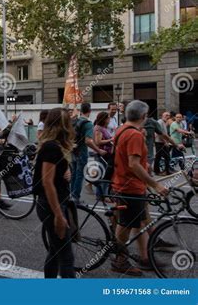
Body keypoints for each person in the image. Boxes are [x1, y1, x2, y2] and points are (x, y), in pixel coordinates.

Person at [111, 100, 168, 276]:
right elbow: (133, 164)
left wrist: (145, 165)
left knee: (140, 223)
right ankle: (120, 260)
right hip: (130, 187)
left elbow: (130, 159)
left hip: (125, 183)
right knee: (125, 225)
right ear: (143, 116)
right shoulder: (134, 135)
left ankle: (144, 257)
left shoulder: (121, 129)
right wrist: (155, 184)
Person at [34, 108, 75, 278]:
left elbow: (55, 174)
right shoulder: (51, 147)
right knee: (66, 257)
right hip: (52, 205)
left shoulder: (55, 146)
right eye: (69, 122)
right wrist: (59, 215)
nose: (72, 125)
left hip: (56, 202)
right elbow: (47, 183)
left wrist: (67, 171)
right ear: (62, 125)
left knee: (55, 250)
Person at [70, 103, 107, 203]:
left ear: (81, 110)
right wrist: (99, 150)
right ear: (90, 111)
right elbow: (88, 141)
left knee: (73, 174)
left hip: (73, 150)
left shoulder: (74, 121)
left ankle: (70, 195)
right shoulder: (88, 124)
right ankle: (75, 197)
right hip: (81, 151)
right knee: (79, 175)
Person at [93, 112, 113, 199]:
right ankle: (102, 195)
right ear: (104, 119)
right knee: (104, 175)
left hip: (107, 154)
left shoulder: (103, 128)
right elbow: (98, 142)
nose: (109, 120)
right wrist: (111, 139)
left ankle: (103, 194)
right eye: (108, 118)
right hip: (102, 154)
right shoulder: (99, 128)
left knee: (105, 174)